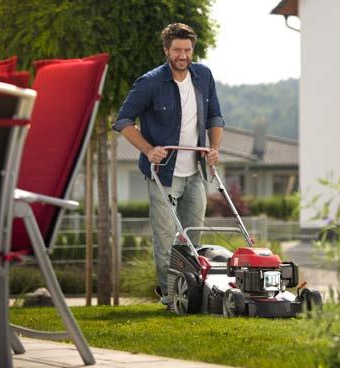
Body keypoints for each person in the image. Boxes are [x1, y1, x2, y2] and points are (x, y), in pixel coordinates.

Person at [113, 23, 224, 308]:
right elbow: (124, 121)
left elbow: (215, 117)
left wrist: (214, 149)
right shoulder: (150, 82)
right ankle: (169, 296)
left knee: (192, 237)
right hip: (163, 174)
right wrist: (149, 150)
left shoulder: (204, 75)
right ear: (166, 50)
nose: (182, 55)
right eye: (177, 50)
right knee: (165, 237)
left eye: (187, 50)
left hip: (195, 171)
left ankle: (194, 293)